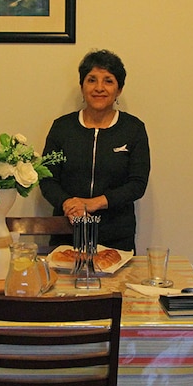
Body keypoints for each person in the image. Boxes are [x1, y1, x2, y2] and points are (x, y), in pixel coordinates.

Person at [40, 49, 150, 252]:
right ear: (82, 87)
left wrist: (94, 203)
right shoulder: (62, 127)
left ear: (119, 89)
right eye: (92, 80)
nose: (99, 88)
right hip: (66, 233)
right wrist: (67, 203)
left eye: (108, 81)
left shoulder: (133, 129)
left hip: (116, 236)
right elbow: (47, 179)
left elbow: (137, 184)